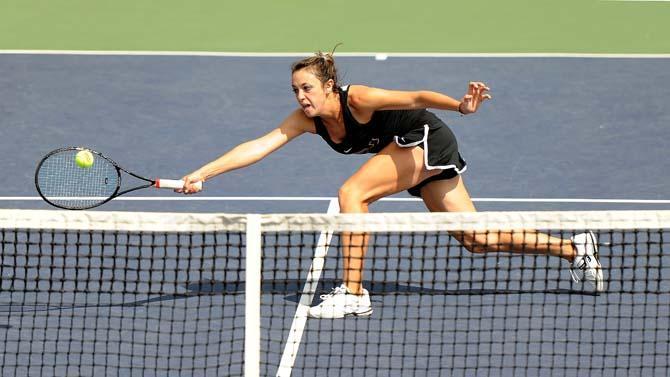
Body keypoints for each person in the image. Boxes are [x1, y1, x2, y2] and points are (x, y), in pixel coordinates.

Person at [178, 49, 604, 319]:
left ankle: (354, 292)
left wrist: (462, 106)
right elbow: (259, 146)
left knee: (352, 193)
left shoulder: (358, 98)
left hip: (424, 140)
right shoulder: (306, 121)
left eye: (307, 88)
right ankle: (574, 248)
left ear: (329, 86)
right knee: (475, 239)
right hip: (411, 153)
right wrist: (202, 173)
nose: (301, 97)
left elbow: (416, 97)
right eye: (295, 90)